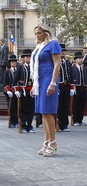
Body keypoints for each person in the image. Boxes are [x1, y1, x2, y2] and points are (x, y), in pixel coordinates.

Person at [30, 23, 61, 157]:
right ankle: (46, 141)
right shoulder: (39, 47)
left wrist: (53, 83)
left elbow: (57, 64)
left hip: (49, 78)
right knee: (43, 112)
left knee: (48, 111)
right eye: (36, 33)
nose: (37, 35)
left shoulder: (53, 44)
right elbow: (35, 67)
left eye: (40, 33)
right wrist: (33, 85)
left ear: (46, 33)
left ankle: (53, 143)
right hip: (39, 81)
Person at [13, 49, 35, 133]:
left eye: (29, 57)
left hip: (32, 91)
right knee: (23, 109)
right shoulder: (20, 67)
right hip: (23, 90)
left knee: (31, 109)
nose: (28, 58)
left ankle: (29, 125)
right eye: (26, 57)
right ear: (23, 58)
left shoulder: (34, 67)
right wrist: (16, 90)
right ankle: (23, 125)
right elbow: (15, 80)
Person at [57, 44, 74, 132]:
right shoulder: (55, 62)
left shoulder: (67, 62)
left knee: (65, 106)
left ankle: (64, 124)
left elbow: (70, 75)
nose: (63, 52)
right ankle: (58, 124)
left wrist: (71, 87)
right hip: (59, 86)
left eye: (64, 51)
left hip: (66, 86)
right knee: (59, 106)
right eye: (61, 51)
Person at [71, 51, 87, 126]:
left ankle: (80, 120)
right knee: (76, 104)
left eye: (81, 58)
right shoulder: (72, 67)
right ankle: (75, 120)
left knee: (82, 104)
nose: (81, 60)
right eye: (79, 58)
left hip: (83, 88)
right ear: (75, 59)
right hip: (76, 87)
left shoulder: (84, 68)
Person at [3, 54, 18, 128]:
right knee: (11, 107)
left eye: (15, 62)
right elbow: (5, 82)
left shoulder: (18, 71)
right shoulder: (7, 72)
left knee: (17, 107)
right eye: (12, 62)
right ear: (10, 63)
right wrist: (8, 91)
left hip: (17, 91)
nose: (14, 63)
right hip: (10, 92)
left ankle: (17, 121)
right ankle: (12, 121)